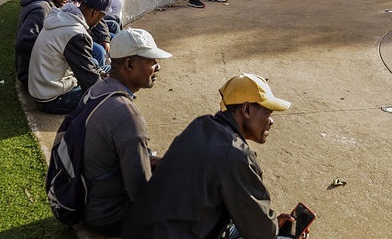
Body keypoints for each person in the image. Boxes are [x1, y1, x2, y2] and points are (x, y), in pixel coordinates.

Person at [122, 73, 295, 239]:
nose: (271, 121)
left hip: (143, 230)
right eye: (268, 112)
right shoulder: (235, 154)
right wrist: (273, 226)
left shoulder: (200, 125)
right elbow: (263, 233)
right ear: (247, 109)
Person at [79, 28, 172, 236]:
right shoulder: (127, 117)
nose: (158, 67)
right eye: (152, 61)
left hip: (88, 202)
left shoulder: (97, 90)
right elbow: (141, 194)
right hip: (109, 215)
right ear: (130, 64)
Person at [28, 0, 112, 114]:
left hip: (44, 88)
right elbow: (90, 81)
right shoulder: (75, 34)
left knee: (107, 70)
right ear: (95, 13)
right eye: (101, 17)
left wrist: (101, 73)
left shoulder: (62, 18)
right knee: (110, 94)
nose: (99, 22)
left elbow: (85, 64)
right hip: (53, 99)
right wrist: (111, 89)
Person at [15, 0, 81, 85]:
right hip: (32, 76)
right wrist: (52, 59)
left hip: (34, 72)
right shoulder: (42, 9)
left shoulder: (42, 3)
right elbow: (22, 43)